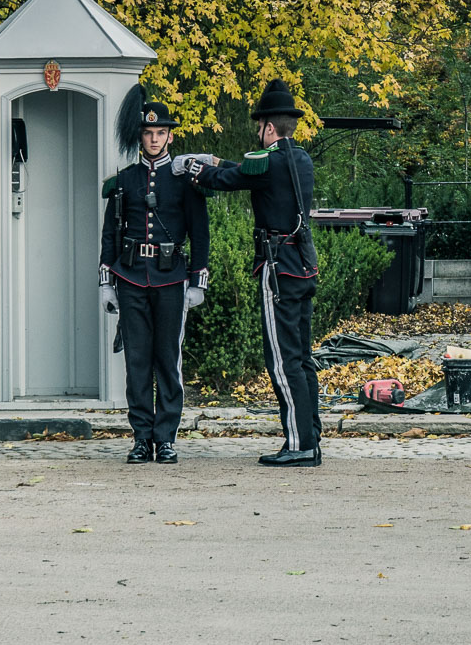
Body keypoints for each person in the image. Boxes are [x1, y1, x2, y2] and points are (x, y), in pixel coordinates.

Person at [177, 78, 321, 466]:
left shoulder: (269, 163)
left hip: (279, 269)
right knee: (303, 358)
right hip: (302, 268)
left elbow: (229, 179)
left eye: (259, 127)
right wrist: (216, 159)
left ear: (269, 128)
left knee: (282, 359)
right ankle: (311, 437)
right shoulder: (300, 158)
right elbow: (247, 170)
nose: (257, 133)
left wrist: (195, 168)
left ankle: (298, 444)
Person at [99, 84, 210, 464]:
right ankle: (141, 438)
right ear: (140, 135)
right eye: (148, 133)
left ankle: (165, 437)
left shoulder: (182, 179)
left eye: (160, 133)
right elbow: (110, 232)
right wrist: (106, 281)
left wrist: (198, 281)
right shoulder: (125, 179)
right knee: (137, 363)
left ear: (170, 136)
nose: (154, 139)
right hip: (130, 278)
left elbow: (200, 231)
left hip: (171, 279)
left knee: (168, 360)